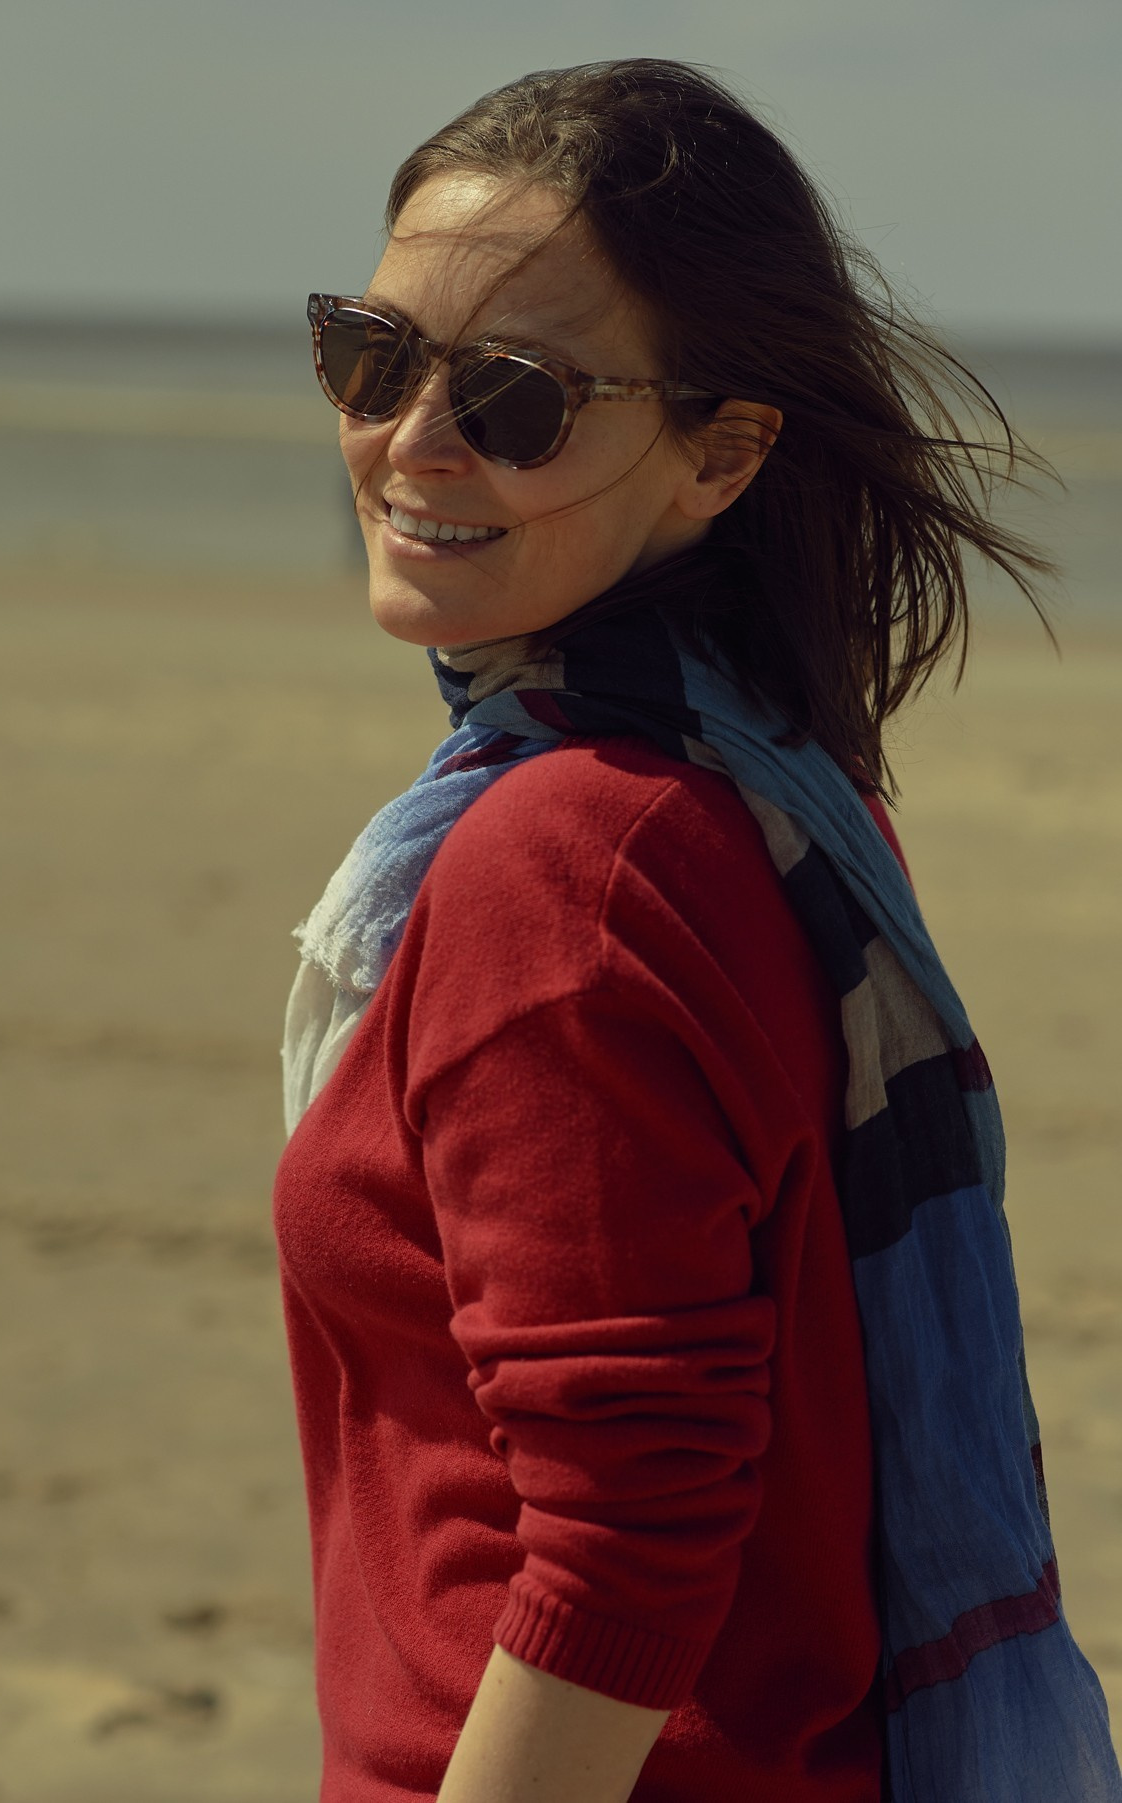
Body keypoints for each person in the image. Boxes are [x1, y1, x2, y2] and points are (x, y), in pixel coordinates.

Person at [274, 59, 1121, 1803]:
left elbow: (624, 1547)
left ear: (720, 454)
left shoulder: (570, 869)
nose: (414, 439)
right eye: (372, 356)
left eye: (516, 399)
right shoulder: (769, 792)